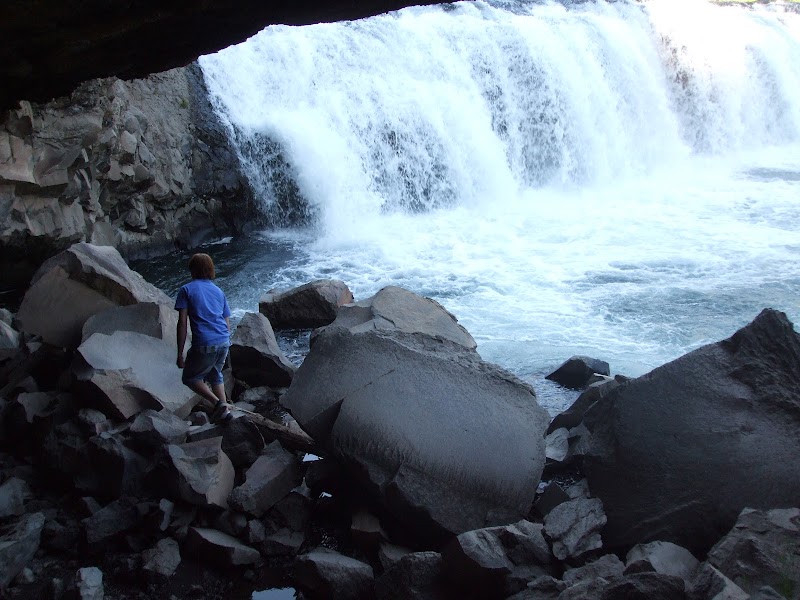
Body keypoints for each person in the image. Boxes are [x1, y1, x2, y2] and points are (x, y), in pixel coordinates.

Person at [175, 253, 233, 424]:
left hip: (204, 343)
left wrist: (180, 354)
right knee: (216, 375)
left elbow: (182, 323)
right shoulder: (218, 291)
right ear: (210, 269)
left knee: (190, 378)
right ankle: (226, 414)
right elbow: (226, 322)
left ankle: (219, 404)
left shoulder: (186, 290)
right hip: (223, 340)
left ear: (192, 270)